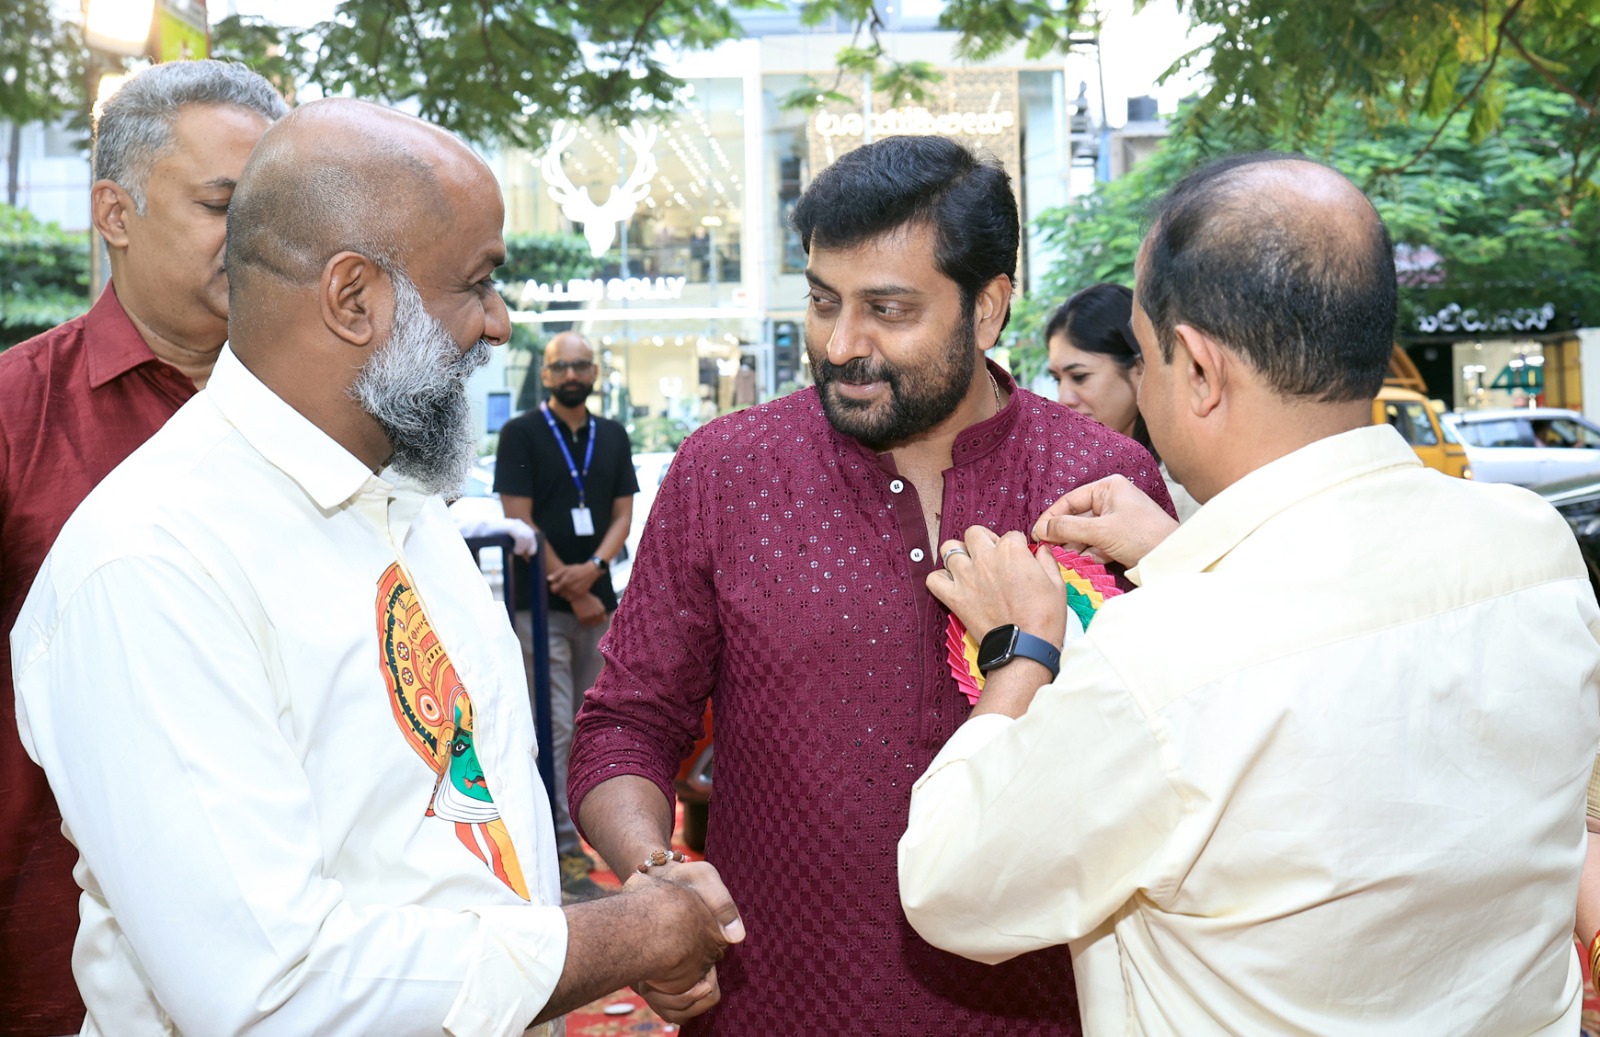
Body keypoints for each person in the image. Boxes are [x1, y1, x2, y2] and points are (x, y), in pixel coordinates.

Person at [11, 99, 737, 1035]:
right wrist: (624, 937)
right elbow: (270, 989)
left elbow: (452, 835)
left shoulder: (403, 500)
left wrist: (586, 943)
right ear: (353, 298)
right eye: (477, 283)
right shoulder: (150, 563)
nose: (499, 324)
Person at [898, 153, 1600, 1035]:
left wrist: (1020, 648)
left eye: (1145, 356)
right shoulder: (1534, 547)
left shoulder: (1160, 657)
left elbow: (952, 884)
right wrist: (1182, 554)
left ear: (1197, 368)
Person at [569, 134, 1172, 1034]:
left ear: (986, 308)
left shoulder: (1101, 482)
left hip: (1039, 1009)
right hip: (769, 1010)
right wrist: (658, 879)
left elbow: (1173, 749)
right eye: (823, 301)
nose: (842, 344)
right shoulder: (726, 472)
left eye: (887, 309)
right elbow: (625, 725)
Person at [0, 60, 287, 1037]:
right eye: (223, 206)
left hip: (317, 970)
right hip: (57, 968)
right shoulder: (17, 420)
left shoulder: (340, 421)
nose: (259, 238)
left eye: (275, 209)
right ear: (113, 213)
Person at [494, 331, 637, 901]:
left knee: (595, 726)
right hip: (541, 606)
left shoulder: (613, 435)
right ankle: (560, 851)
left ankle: (597, 836)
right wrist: (571, 586)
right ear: (546, 375)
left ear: (595, 372)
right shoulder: (521, 433)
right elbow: (519, 519)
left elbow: (623, 515)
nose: (572, 374)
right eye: (562, 366)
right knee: (552, 730)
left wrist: (594, 569)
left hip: (599, 608)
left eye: (582, 365)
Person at [1046, 282, 1199, 520]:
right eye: (1057, 379)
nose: (1064, 398)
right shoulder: (1064, 472)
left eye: (1080, 377)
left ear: (1140, 369)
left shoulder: (1185, 488)